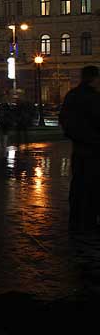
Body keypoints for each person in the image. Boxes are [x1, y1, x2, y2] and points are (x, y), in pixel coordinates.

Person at [59, 65, 100, 232]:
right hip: (95, 149)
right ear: (94, 79)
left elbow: (65, 120)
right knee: (93, 186)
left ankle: (76, 219)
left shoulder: (72, 96)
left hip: (79, 148)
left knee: (78, 184)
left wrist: (75, 136)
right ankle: (89, 220)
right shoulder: (94, 98)